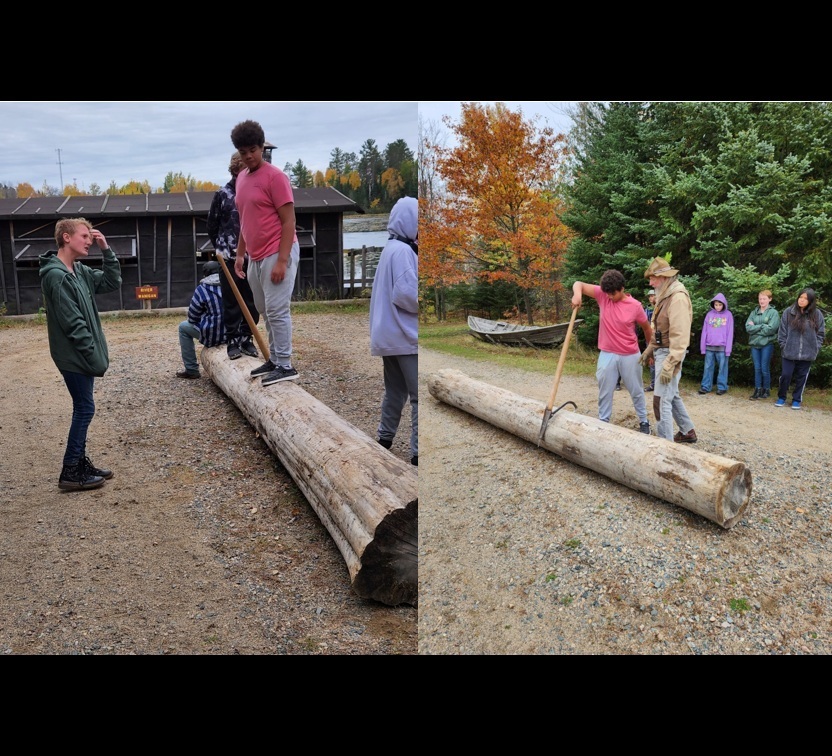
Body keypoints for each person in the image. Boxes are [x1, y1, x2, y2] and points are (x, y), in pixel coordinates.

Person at [38, 218, 122, 490]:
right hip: (72, 355)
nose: (89, 241)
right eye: (84, 236)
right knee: (85, 408)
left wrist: (106, 250)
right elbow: (73, 325)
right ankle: (71, 471)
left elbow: (111, 282)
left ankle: (79, 462)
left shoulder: (78, 271)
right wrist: (93, 355)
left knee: (83, 407)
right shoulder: (56, 275)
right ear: (66, 237)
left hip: (80, 355)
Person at [231, 119, 300, 386]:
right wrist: (240, 254)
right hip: (255, 255)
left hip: (276, 250)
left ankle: (285, 364)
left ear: (261, 147)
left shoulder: (276, 177)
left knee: (277, 308)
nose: (248, 156)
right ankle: (273, 359)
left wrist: (282, 261)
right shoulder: (242, 178)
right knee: (262, 308)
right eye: (243, 151)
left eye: (253, 150)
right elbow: (245, 219)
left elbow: (289, 221)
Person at [571, 270, 653, 434]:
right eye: (607, 293)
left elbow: (646, 328)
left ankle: (644, 421)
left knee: (636, 389)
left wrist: (649, 352)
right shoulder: (603, 294)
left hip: (630, 354)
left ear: (622, 288)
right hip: (607, 353)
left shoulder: (635, 306)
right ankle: (603, 421)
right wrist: (577, 295)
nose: (609, 297)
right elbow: (578, 284)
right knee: (605, 389)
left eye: (613, 293)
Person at [369, 196, 419, 466]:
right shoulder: (403, 252)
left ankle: (384, 438)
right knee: (417, 397)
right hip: (406, 337)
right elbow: (407, 294)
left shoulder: (391, 248)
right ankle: (418, 453)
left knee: (395, 391)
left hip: (390, 336)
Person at [207, 150, 259, 361]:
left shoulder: (255, 191)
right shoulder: (222, 194)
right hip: (228, 256)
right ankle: (233, 340)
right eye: (243, 167)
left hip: (253, 255)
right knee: (231, 300)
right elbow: (212, 225)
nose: (247, 171)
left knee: (252, 299)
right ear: (236, 168)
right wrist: (222, 246)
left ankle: (248, 337)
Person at [640, 257, 698, 443]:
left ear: (663, 277)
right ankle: (687, 430)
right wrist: (649, 350)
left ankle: (665, 446)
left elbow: (680, 336)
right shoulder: (665, 294)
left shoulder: (677, 297)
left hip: (670, 354)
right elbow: (660, 329)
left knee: (660, 401)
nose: (650, 283)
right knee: (671, 395)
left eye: (653, 278)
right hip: (663, 351)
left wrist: (670, 364)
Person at [775, 287, 826, 410]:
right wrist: (784, 345)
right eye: (800, 297)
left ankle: (796, 399)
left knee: (801, 377)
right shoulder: (789, 312)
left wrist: (816, 347)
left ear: (810, 301)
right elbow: (782, 332)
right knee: (786, 375)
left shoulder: (817, 314)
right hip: (789, 352)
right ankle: (782, 397)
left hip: (807, 353)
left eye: (805, 299)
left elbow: (821, 334)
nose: (802, 300)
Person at [177, 260, 226, 379]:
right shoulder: (231, 285)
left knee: (183, 327)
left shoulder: (202, 289)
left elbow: (192, 317)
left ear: (205, 274)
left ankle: (192, 369)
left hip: (213, 336)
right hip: (233, 335)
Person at [745, 289, 780, 400]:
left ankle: (766, 389)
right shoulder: (754, 312)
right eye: (760, 299)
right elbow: (748, 328)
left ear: (770, 299)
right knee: (757, 368)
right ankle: (757, 389)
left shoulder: (773, 313)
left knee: (764, 368)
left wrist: (756, 326)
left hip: (767, 344)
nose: (762, 301)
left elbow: (771, 329)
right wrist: (762, 326)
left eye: (764, 298)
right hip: (755, 344)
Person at [698, 293, 734, 395]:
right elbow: (704, 331)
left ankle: (722, 387)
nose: (718, 307)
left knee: (722, 368)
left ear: (724, 304)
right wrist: (703, 347)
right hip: (709, 346)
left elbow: (730, 332)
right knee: (708, 367)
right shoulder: (709, 315)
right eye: (716, 304)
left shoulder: (728, 315)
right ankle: (705, 386)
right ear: (713, 304)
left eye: (720, 304)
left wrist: (728, 349)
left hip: (722, 347)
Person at [643, 289, 656, 391]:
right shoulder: (646, 310)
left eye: (653, 295)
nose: (651, 298)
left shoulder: (660, 308)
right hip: (649, 338)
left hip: (659, 339)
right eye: (650, 296)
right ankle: (653, 384)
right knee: (651, 361)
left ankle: (660, 385)